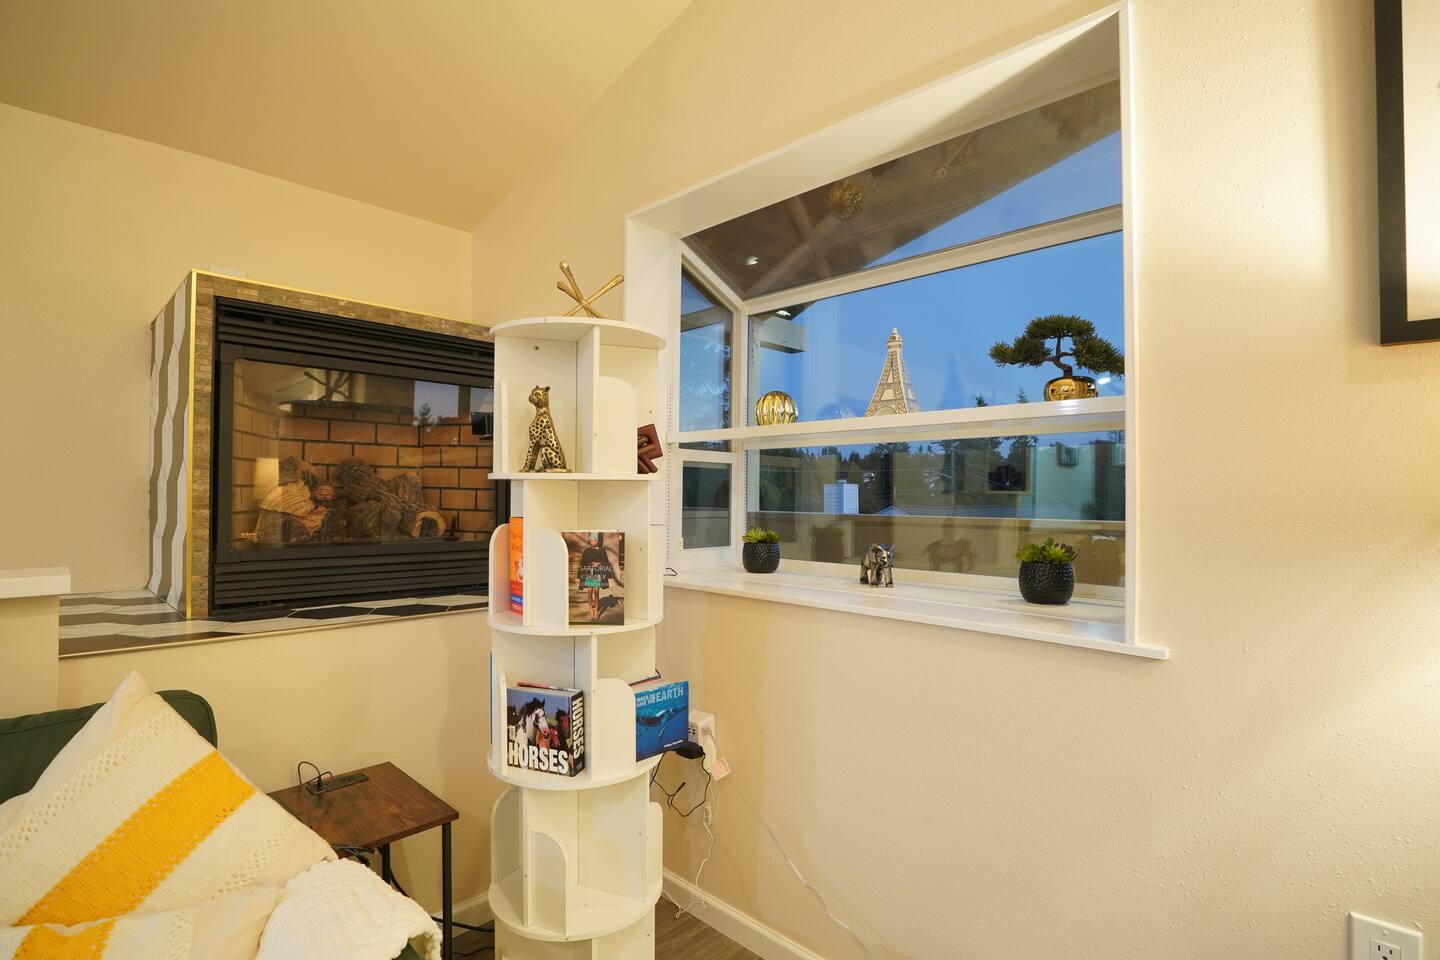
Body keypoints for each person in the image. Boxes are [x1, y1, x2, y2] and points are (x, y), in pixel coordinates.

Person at [577, 533, 611, 622]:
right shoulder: (586, 551)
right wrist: (590, 563)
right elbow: (583, 562)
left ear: (597, 541)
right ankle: (591, 611)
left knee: (596, 592)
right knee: (589, 592)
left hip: (598, 573)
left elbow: (605, 562)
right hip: (589, 573)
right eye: (592, 540)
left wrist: (599, 563)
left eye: (595, 540)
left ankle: (596, 612)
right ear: (590, 541)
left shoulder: (602, 551)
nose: (593, 542)